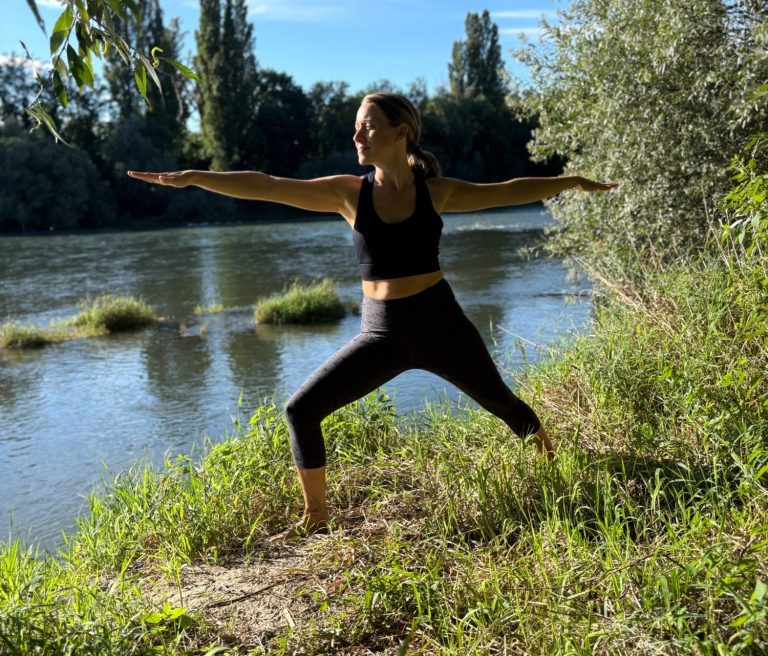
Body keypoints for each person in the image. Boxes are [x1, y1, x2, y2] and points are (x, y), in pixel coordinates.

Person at [128, 92, 618, 541]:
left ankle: (560, 474)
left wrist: (571, 182)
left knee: (506, 406)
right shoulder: (348, 193)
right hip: (381, 333)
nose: (357, 136)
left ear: (400, 132)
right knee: (301, 410)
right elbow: (268, 185)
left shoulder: (436, 192)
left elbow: (509, 190)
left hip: (442, 325)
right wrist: (195, 177)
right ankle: (316, 515)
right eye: (356, 127)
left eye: (368, 126)